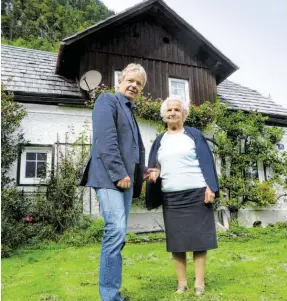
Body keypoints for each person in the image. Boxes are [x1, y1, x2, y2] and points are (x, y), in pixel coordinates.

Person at [80, 63, 152, 301]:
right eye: (130, 80)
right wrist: (120, 173)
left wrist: (141, 171)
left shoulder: (129, 111)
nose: (134, 86)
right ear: (120, 81)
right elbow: (106, 141)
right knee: (116, 230)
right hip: (110, 178)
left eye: (139, 84)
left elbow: (132, 149)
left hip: (126, 181)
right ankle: (109, 296)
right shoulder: (107, 101)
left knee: (119, 235)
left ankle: (112, 292)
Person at [145, 96, 219, 296]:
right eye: (169, 110)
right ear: (164, 115)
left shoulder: (194, 135)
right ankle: (182, 284)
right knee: (177, 243)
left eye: (177, 110)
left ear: (184, 114)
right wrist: (154, 173)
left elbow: (207, 161)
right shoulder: (160, 140)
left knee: (199, 241)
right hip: (172, 197)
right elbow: (156, 166)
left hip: (197, 194)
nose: (172, 113)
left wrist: (211, 187)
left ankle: (199, 284)